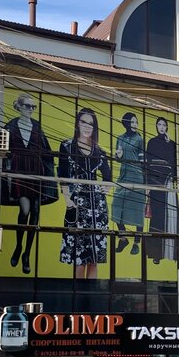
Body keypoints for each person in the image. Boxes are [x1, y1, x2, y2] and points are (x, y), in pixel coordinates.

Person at [2, 93, 56, 275]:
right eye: (27, 106)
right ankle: (18, 246)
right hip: (20, 170)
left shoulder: (37, 126)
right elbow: (0, 148)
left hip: (36, 170)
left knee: (36, 213)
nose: (31, 109)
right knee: (24, 210)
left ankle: (27, 254)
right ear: (19, 106)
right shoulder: (10, 126)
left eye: (33, 107)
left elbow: (46, 149)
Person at [58, 107, 112, 279]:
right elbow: (63, 175)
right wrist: (68, 201)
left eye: (91, 124)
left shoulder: (100, 151)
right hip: (77, 205)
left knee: (94, 259)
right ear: (77, 124)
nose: (87, 127)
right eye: (84, 122)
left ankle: (91, 296)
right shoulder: (67, 146)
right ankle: (78, 296)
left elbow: (108, 177)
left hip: (98, 208)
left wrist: (105, 189)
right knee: (79, 258)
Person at [144, 117, 178, 264]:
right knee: (156, 217)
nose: (162, 127)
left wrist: (174, 179)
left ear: (167, 127)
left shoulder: (172, 144)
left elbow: (175, 164)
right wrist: (147, 184)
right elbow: (146, 163)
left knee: (169, 215)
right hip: (154, 181)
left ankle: (170, 253)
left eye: (164, 124)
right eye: (159, 124)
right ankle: (155, 253)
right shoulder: (151, 142)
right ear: (156, 126)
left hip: (168, 181)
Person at [111, 111, 145, 255]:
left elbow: (143, 161)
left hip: (137, 177)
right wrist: (117, 156)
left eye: (136, 122)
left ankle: (137, 242)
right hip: (123, 177)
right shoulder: (120, 138)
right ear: (126, 123)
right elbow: (118, 158)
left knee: (138, 211)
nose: (135, 124)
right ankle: (123, 238)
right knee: (116, 206)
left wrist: (146, 184)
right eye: (132, 122)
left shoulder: (140, 140)